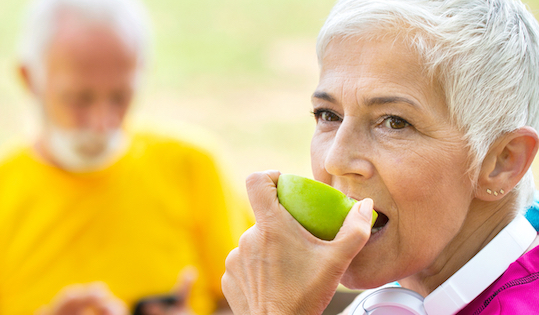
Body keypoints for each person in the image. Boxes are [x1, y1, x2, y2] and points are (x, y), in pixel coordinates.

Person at [0, 0, 251, 314]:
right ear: (29, 79)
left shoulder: (193, 168)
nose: (101, 123)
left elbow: (264, 303)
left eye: (120, 97)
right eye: (79, 99)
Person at [221, 0, 539, 314]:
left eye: (394, 122)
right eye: (328, 114)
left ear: (502, 161)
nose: (335, 160)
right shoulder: (404, 294)